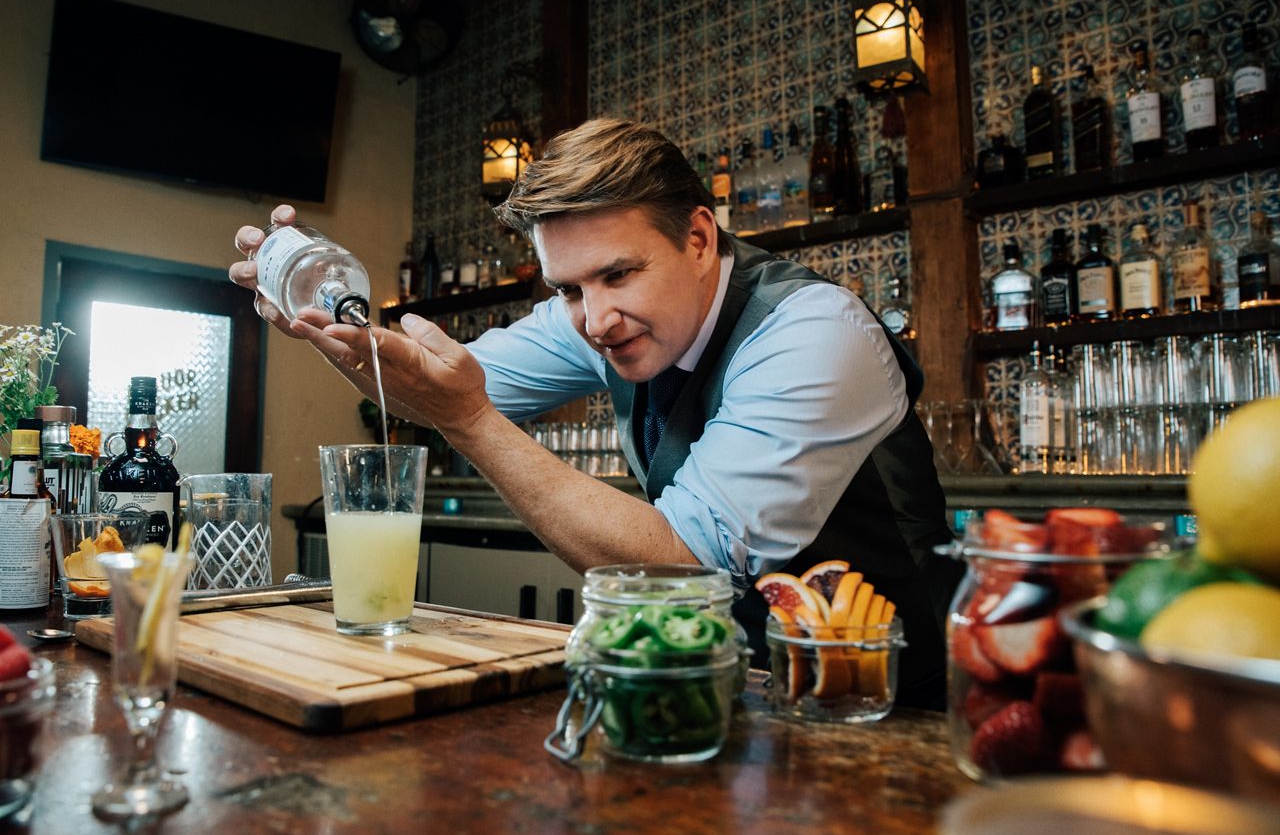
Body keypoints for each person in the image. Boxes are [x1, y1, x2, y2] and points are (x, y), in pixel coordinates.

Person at [230, 118, 960, 709]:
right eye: (570, 288)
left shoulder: (813, 332)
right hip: (745, 697)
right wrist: (321, 312)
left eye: (618, 273)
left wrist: (471, 420)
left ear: (699, 239)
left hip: (900, 706)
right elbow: (433, 384)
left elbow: (688, 564)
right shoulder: (593, 315)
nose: (596, 318)